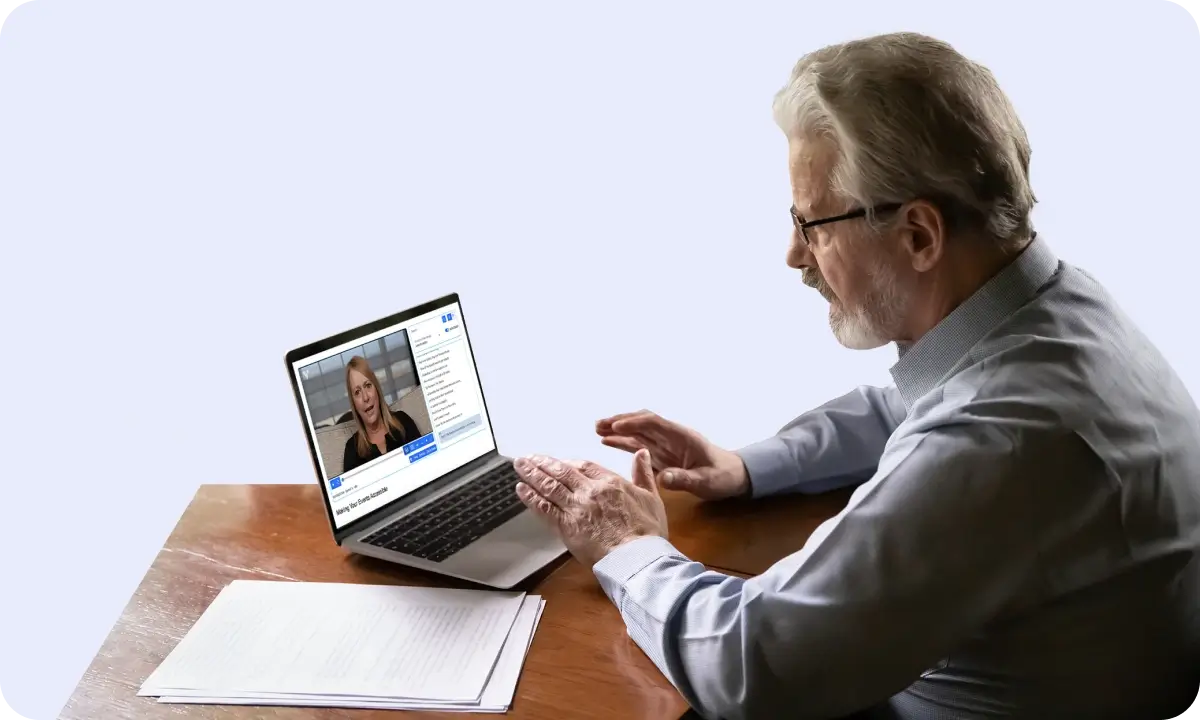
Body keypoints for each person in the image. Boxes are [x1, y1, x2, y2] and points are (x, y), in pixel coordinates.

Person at [510, 32, 1200, 720]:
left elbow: (754, 665)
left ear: (920, 236)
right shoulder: (1063, 311)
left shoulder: (1001, 439)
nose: (793, 255)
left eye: (812, 224)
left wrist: (627, 547)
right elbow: (909, 409)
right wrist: (746, 468)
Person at [340, 356, 420, 474]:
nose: (365, 397)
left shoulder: (403, 422)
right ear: (354, 404)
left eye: (368, 385)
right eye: (357, 392)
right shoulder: (352, 449)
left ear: (376, 389)